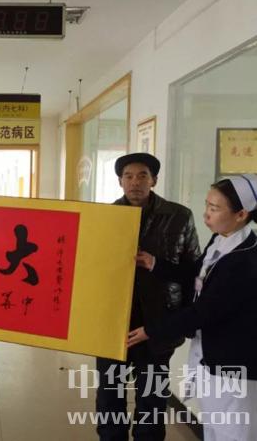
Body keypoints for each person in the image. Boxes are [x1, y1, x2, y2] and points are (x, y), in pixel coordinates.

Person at [128, 174, 257, 441]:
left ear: (241, 214)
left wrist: (151, 331)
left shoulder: (243, 261)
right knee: (213, 428)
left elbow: (203, 312)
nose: (206, 214)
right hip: (212, 358)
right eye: (207, 205)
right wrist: (154, 264)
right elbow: (196, 273)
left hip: (234, 366)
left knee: (232, 432)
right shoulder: (221, 239)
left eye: (214, 208)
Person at [95, 153, 200, 440]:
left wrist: (184, 321)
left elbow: (194, 270)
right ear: (120, 182)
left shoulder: (179, 216)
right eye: (128, 176)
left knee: (152, 398)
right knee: (109, 396)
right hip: (113, 321)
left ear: (154, 180)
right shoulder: (105, 217)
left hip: (157, 321)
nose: (135, 182)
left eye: (142, 175)